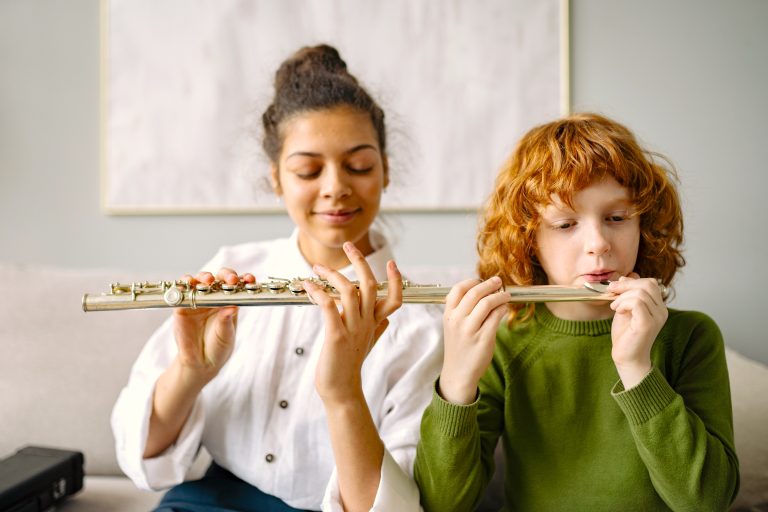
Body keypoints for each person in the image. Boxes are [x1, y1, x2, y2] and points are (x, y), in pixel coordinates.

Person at [111, 44, 443, 512]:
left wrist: (343, 390)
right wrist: (191, 371)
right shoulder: (230, 269)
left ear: (385, 170)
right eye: (308, 170)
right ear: (276, 178)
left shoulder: (422, 323)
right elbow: (142, 456)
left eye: (359, 165)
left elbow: (396, 504)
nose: (335, 187)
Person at [414, 113, 739, 511]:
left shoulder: (692, 338)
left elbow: (707, 502)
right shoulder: (504, 344)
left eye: (617, 218)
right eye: (566, 224)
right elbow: (441, 503)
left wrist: (637, 368)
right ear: (527, 241)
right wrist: (457, 380)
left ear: (644, 225)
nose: (598, 244)